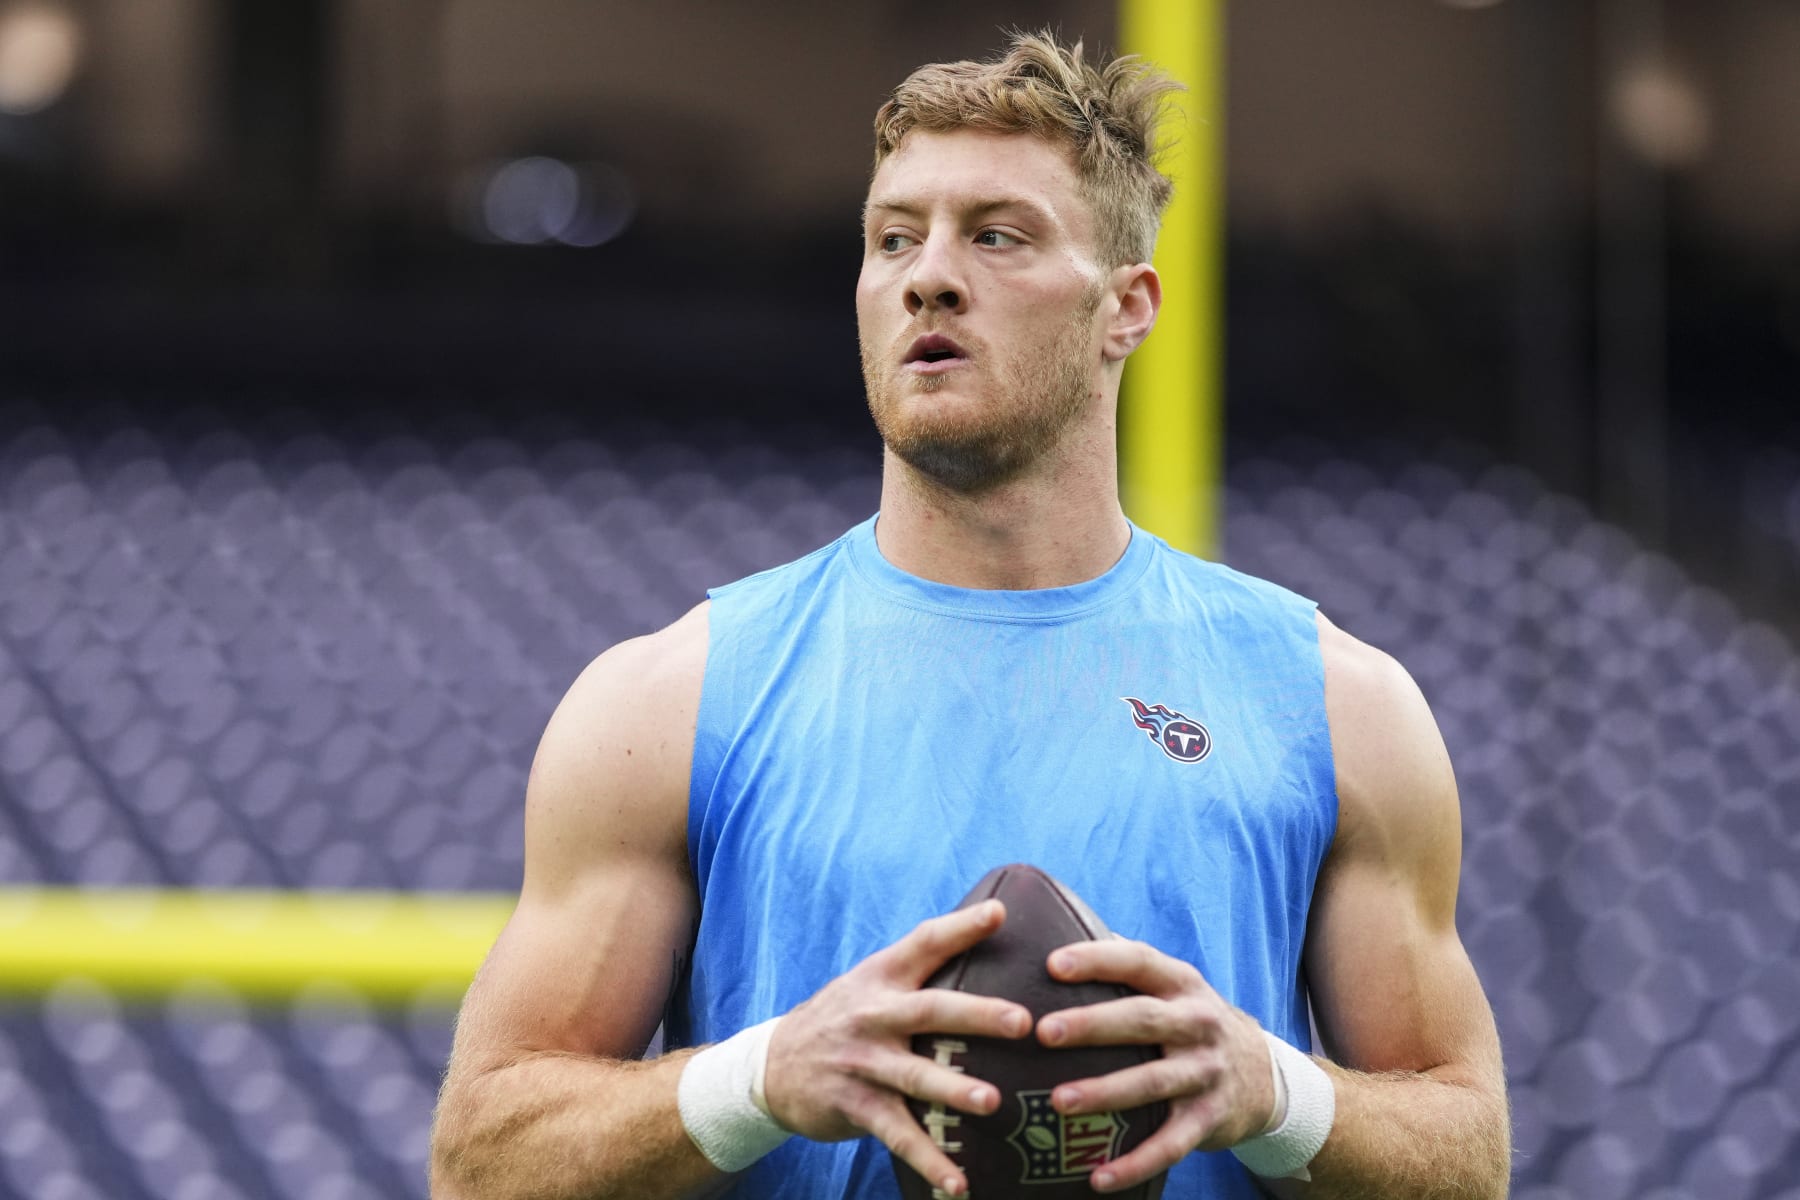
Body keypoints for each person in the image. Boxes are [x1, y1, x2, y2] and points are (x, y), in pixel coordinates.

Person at [429, 31, 1510, 1200]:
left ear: (1126, 308)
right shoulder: (669, 701)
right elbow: (481, 1161)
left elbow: (1469, 1158)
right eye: (895, 237)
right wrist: (757, 1079)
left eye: (998, 236)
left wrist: (1274, 1094)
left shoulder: (1338, 704)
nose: (928, 275)